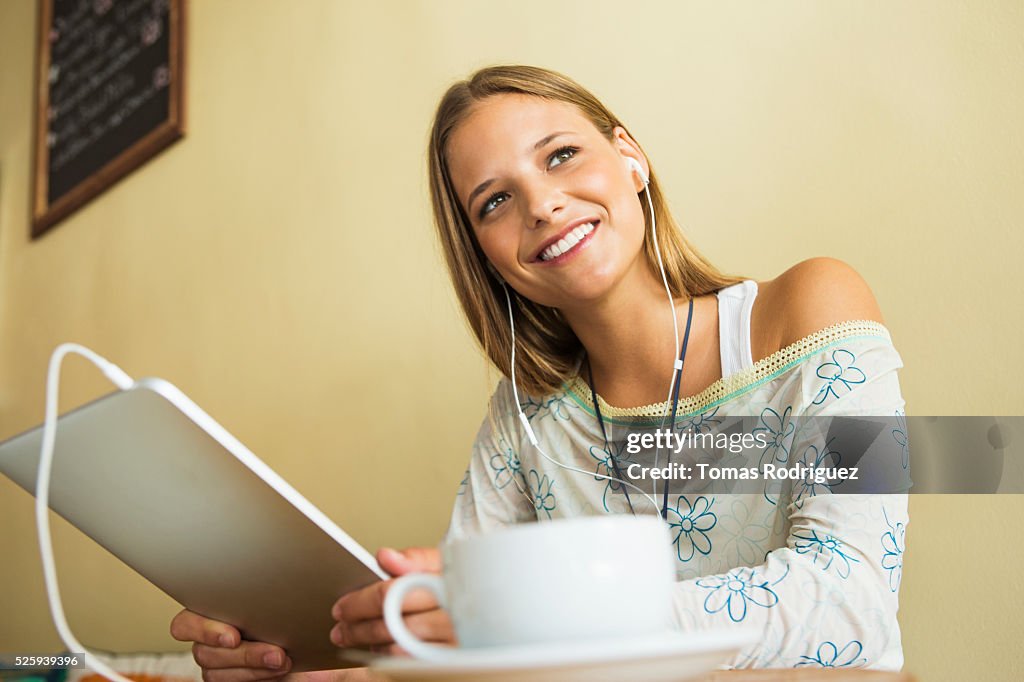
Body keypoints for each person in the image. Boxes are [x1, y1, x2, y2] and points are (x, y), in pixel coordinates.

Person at [170, 65, 909, 678]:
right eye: (494, 201)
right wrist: (305, 659)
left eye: (560, 156)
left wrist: (539, 615)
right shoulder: (523, 417)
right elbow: (477, 653)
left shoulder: (812, 304)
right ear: (484, 255)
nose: (543, 204)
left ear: (630, 156)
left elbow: (852, 597)